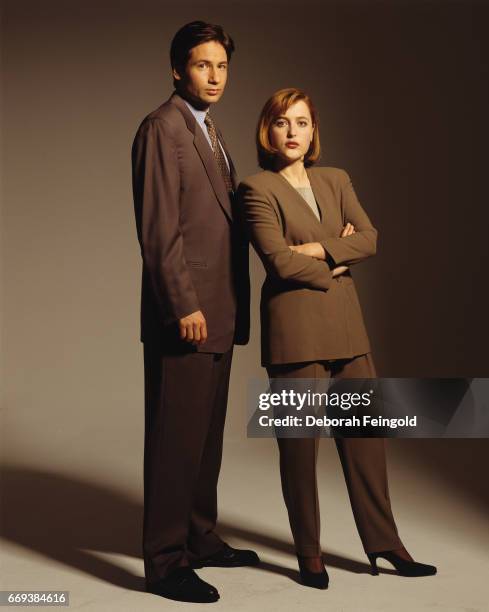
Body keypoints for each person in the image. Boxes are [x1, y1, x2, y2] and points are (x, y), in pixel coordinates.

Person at [237, 88, 436, 589]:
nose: (292, 133)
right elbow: (278, 262)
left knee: (367, 442)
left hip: (349, 329)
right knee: (299, 450)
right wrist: (337, 260)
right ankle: (309, 555)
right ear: (268, 130)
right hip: (295, 332)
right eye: (282, 123)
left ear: (313, 130)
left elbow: (370, 237)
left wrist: (317, 249)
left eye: (301, 123)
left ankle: (386, 544)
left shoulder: (336, 177)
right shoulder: (255, 188)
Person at [131, 21, 258, 604]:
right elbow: (159, 232)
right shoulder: (163, 127)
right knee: (175, 439)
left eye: (222, 66)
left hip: (222, 310)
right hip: (187, 313)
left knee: (206, 436)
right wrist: (183, 304)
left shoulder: (210, 130)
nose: (214, 76)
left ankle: (200, 537)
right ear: (178, 69)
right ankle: (164, 562)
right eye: (203, 65)